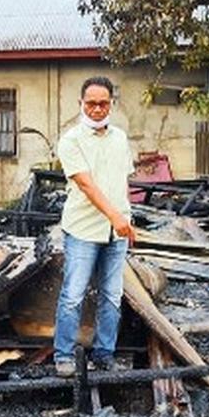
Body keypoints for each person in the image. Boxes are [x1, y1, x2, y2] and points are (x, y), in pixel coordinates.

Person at [53, 76, 136, 376]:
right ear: (81, 104)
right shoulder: (70, 140)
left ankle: (104, 353)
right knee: (73, 294)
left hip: (116, 233)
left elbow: (122, 183)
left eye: (103, 103)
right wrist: (115, 216)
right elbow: (87, 186)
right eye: (91, 104)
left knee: (112, 295)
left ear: (111, 103)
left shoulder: (120, 139)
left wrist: (125, 218)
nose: (97, 109)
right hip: (83, 230)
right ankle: (63, 355)